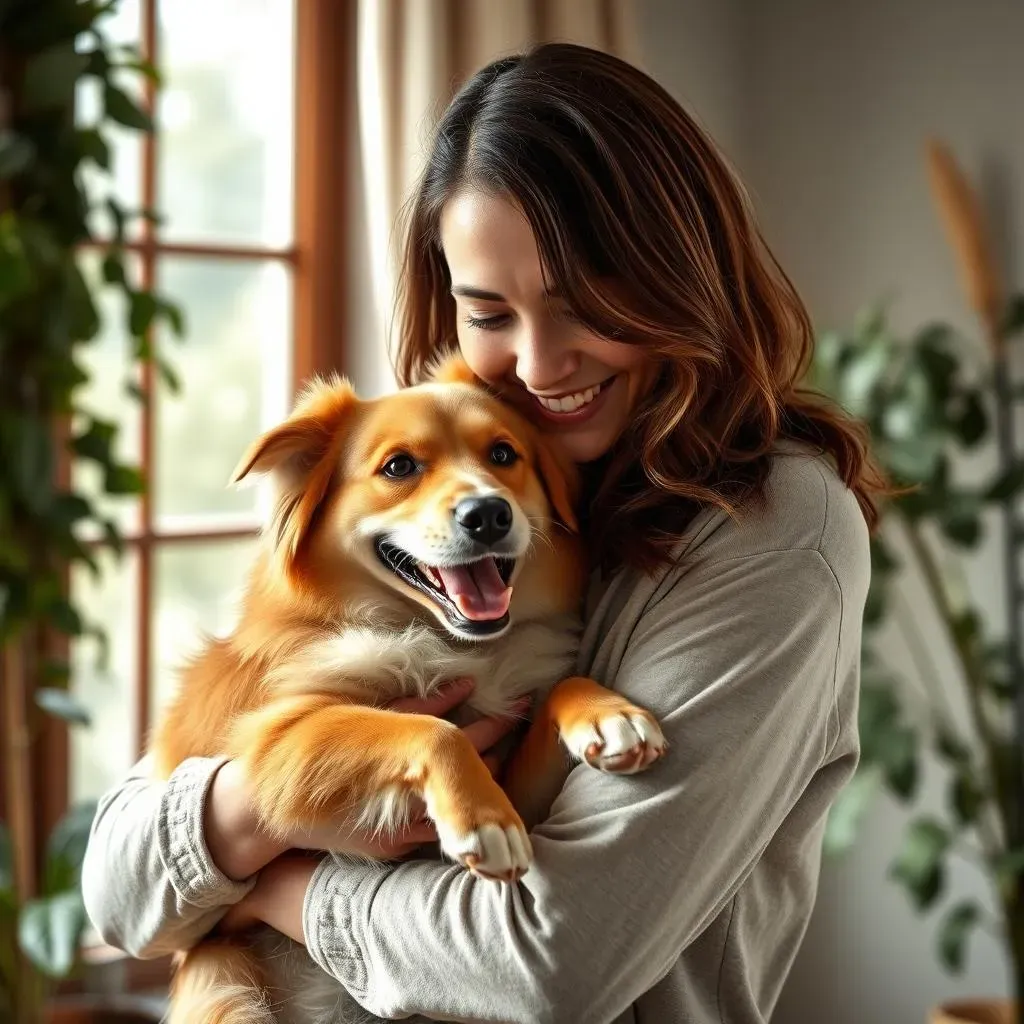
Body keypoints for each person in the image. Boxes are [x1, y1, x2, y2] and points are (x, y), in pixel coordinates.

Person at [82, 42, 883, 1024]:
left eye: (583, 303)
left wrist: (262, 885)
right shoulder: (422, 527)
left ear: (676, 277)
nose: (539, 365)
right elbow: (119, 887)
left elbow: (546, 963)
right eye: (489, 312)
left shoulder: (773, 532)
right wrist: (254, 812)